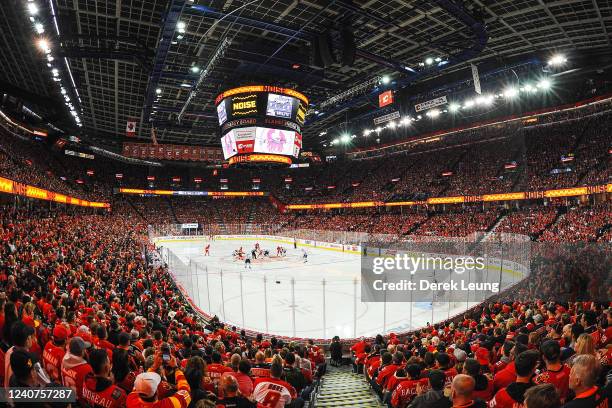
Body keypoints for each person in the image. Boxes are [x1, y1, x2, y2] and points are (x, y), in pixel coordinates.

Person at [126, 352, 192, 408]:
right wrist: (175, 367)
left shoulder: (130, 399)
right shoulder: (169, 404)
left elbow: (144, 382)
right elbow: (186, 391)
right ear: (157, 391)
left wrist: (154, 366)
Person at [61, 337, 93, 402]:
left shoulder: (64, 360)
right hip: (79, 402)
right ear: (82, 351)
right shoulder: (86, 369)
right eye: (84, 349)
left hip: (67, 396)